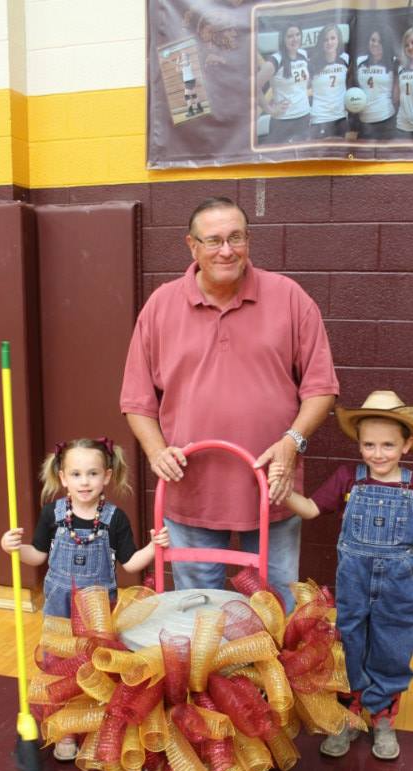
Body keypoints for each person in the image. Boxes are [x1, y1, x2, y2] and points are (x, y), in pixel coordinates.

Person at [120, 196, 339, 612]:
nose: (227, 250)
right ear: (192, 246)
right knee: (196, 609)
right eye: (214, 240)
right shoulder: (161, 306)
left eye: (236, 238)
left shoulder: (290, 297)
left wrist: (291, 442)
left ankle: (269, 659)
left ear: (248, 240)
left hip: (273, 487)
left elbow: (321, 388)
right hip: (192, 490)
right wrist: (156, 451)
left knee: (275, 607)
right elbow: (136, 400)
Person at [269, 391, 413, 761]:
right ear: (359, 443)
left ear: (406, 444)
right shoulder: (349, 478)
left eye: (387, 445)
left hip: (400, 588)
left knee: (392, 649)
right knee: (350, 647)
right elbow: (310, 509)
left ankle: (382, 717)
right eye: (369, 444)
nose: (377, 454)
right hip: (355, 586)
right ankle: (348, 716)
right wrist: (284, 493)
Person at [1, 437, 169, 760]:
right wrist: (14, 549)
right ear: (63, 478)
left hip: (97, 613)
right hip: (59, 611)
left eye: (92, 474)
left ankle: (95, 727)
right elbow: (37, 556)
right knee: (59, 667)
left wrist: (154, 547)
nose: (84, 482)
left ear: (107, 476)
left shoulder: (115, 519)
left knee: (95, 667)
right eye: (76, 474)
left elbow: (131, 563)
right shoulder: (52, 514)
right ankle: (65, 729)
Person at [256, 24, 311, 144]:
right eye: (290, 36)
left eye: (297, 35)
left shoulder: (303, 54)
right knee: (281, 155)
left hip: (304, 117)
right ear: (283, 39)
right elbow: (253, 87)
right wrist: (269, 109)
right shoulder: (275, 60)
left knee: (304, 154)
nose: (295, 39)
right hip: (284, 121)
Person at [354, 26, 398, 140]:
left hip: (386, 120)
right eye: (373, 40)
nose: (375, 44)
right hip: (364, 122)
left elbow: (397, 94)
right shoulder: (360, 61)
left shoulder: (393, 62)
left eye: (380, 41)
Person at [308, 24, 350, 140]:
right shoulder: (313, 63)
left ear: (338, 40)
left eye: (332, 38)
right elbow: (302, 88)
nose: (329, 42)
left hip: (341, 117)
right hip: (319, 118)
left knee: (341, 150)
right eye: (325, 39)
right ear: (321, 42)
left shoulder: (345, 59)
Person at [175, 51, 203, 116]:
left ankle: (191, 112)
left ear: (187, 56)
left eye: (184, 55)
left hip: (189, 81)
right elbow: (177, 70)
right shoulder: (182, 64)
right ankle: (200, 108)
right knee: (194, 95)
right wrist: (177, 61)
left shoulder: (187, 61)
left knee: (187, 96)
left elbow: (180, 64)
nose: (182, 57)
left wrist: (177, 62)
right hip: (189, 81)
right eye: (182, 56)